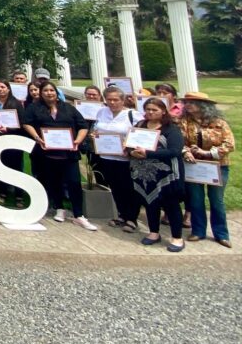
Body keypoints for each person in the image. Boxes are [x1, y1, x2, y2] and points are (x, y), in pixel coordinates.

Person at [24, 81, 96, 230]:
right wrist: (37, 137)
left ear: (56, 92)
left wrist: (78, 140)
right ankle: (59, 208)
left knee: (74, 182)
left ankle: (79, 214)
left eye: (51, 90)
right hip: (47, 153)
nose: (49, 93)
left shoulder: (68, 108)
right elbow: (26, 123)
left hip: (68, 153)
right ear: (41, 93)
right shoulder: (34, 108)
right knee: (53, 181)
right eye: (45, 91)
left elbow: (82, 126)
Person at [130, 97, 186, 252]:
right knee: (150, 202)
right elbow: (130, 144)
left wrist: (147, 153)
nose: (150, 112)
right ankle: (154, 232)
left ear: (163, 111)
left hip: (167, 175)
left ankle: (177, 238)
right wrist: (131, 152)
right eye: (148, 109)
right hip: (145, 174)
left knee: (171, 205)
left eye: (154, 110)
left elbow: (174, 151)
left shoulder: (171, 129)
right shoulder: (140, 125)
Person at [180, 91, 234, 247]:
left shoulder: (219, 122)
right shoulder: (184, 122)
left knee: (217, 200)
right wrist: (186, 152)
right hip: (193, 165)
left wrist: (208, 153)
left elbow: (229, 144)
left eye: (192, 102)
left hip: (218, 165)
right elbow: (179, 141)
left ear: (203, 105)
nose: (187, 105)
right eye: (186, 102)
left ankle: (221, 234)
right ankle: (198, 231)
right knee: (196, 199)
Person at [92, 85, 140, 232]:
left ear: (122, 100)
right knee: (115, 186)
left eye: (115, 100)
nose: (112, 103)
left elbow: (140, 134)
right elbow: (96, 128)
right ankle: (121, 214)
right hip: (106, 156)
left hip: (125, 158)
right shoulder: (102, 112)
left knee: (129, 188)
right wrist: (94, 135)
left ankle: (132, 218)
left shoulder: (133, 115)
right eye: (109, 100)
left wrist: (129, 146)